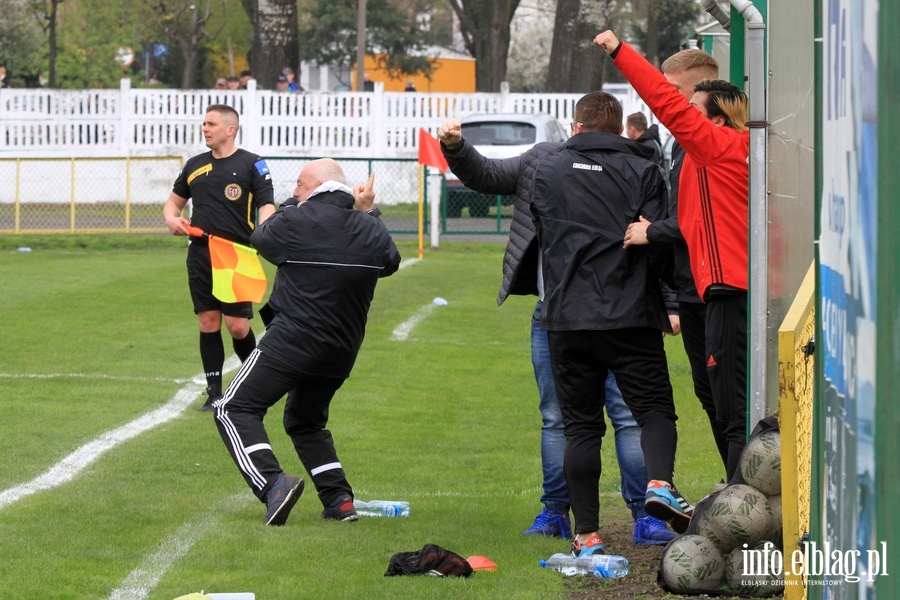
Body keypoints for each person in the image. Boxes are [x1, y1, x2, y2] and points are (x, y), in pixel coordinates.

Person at [438, 103, 677, 548]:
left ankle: (631, 518)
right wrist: (456, 148)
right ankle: (558, 512)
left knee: (595, 420)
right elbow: (487, 175)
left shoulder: (559, 167)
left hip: (575, 313)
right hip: (578, 312)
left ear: (577, 126)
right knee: (571, 419)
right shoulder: (560, 162)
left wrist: (666, 302)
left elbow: (652, 237)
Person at [530, 91, 689, 556]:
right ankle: (658, 484)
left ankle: (587, 535)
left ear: (576, 127)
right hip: (629, 312)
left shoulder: (548, 168)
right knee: (653, 411)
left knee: (580, 428)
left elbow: (543, 227)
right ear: (621, 129)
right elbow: (657, 236)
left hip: (567, 316)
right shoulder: (643, 168)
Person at [596, 30, 750, 481]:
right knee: (724, 403)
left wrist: (619, 52)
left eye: (692, 111)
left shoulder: (717, 148)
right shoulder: (726, 153)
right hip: (715, 289)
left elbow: (663, 100)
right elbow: (699, 221)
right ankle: (738, 496)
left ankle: (743, 508)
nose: (681, 118)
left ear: (716, 123)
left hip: (728, 292)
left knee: (733, 410)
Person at [212, 159, 401, 526]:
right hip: (342, 349)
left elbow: (262, 238)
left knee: (233, 408)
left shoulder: (298, 217)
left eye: (299, 185)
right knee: (305, 421)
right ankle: (339, 500)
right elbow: (390, 261)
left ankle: (272, 484)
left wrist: (291, 204)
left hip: (295, 338)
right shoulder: (370, 227)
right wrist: (367, 212)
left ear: (315, 187)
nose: (294, 191)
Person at [621, 49, 730, 475]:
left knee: (724, 397)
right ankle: (734, 485)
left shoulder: (710, 144)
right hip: (691, 286)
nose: (664, 102)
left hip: (711, 288)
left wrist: (655, 231)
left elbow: (701, 218)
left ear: (700, 87)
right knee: (710, 395)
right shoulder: (683, 142)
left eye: (673, 92)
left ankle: (739, 489)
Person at [163, 104, 276, 411]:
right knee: (208, 321)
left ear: (230, 129)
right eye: (204, 123)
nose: (205, 128)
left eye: (211, 123)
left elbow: (267, 204)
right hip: (200, 253)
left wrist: (265, 230)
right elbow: (172, 205)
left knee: (237, 325)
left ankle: (255, 384)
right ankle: (214, 392)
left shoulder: (253, 164)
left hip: (236, 255)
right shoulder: (195, 165)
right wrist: (172, 219)